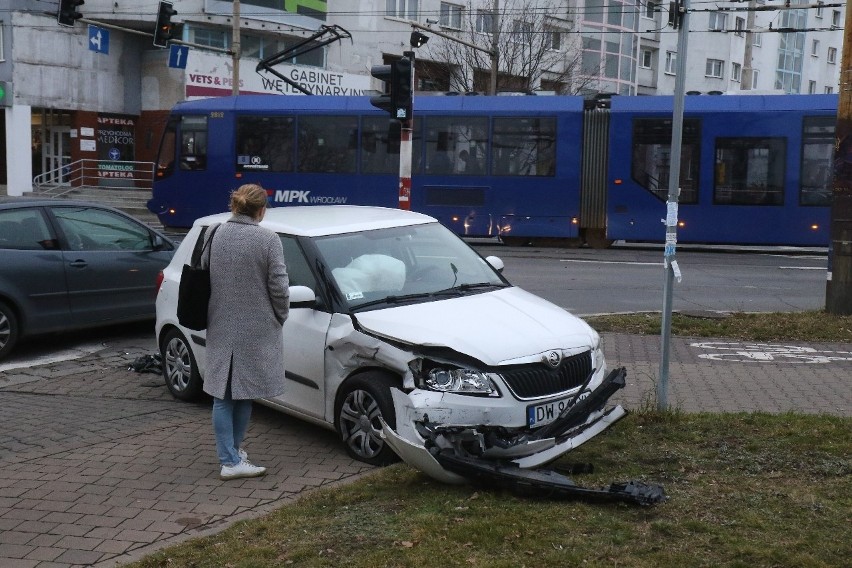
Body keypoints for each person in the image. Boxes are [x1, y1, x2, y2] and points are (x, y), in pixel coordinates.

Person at [201, 183, 290, 480]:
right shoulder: (268, 239)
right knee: (243, 394)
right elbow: (279, 286)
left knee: (224, 394)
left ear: (235, 205)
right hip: (256, 327)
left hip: (220, 323)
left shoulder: (213, 233)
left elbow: (204, 271)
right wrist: (280, 315)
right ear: (261, 210)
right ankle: (230, 459)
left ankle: (233, 455)